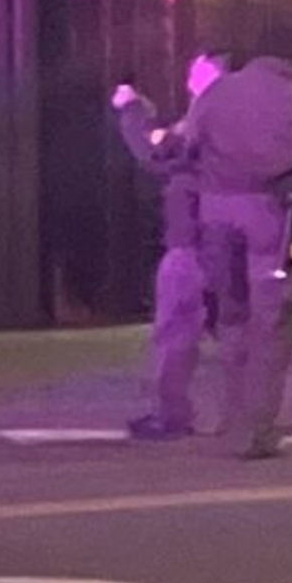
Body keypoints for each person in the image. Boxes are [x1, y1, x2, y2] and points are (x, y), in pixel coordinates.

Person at [168, 47, 292, 459]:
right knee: (274, 319)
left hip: (217, 216)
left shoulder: (215, 94)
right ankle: (258, 429)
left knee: (232, 315)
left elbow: (184, 149)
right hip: (274, 214)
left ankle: (231, 418)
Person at [112, 55, 226, 440]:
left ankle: (171, 414)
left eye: (197, 71)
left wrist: (132, 109)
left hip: (191, 239)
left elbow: (154, 152)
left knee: (177, 328)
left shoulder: (202, 119)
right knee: (236, 330)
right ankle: (245, 411)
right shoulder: (243, 123)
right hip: (231, 238)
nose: (188, 78)